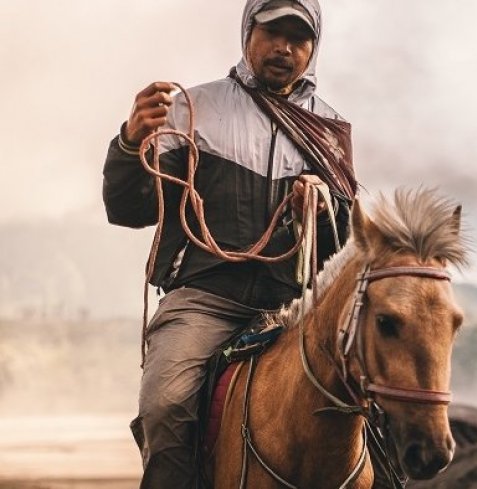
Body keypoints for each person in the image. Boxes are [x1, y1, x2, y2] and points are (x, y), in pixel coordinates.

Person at [102, 0, 355, 486]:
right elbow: (129, 209)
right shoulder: (193, 110)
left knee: (373, 401)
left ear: (313, 48)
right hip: (204, 302)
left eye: (298, 38)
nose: (283, 48)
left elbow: (342, 240)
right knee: (164, 406)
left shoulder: (331, 134)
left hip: (293, 308)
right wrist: (132, 142)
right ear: (247, 33)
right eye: (271, 32)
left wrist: (324, 204)